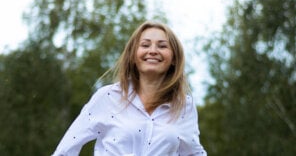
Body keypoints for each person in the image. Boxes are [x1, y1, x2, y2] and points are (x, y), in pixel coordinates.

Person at [52, 21, 207, 156]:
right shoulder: (107, 97)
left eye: (162, 46)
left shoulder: (184, 106)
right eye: (145, 45)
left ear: (174, 58)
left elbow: (194, 153)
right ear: (133, 56)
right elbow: (65, 151)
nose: (153, 50)